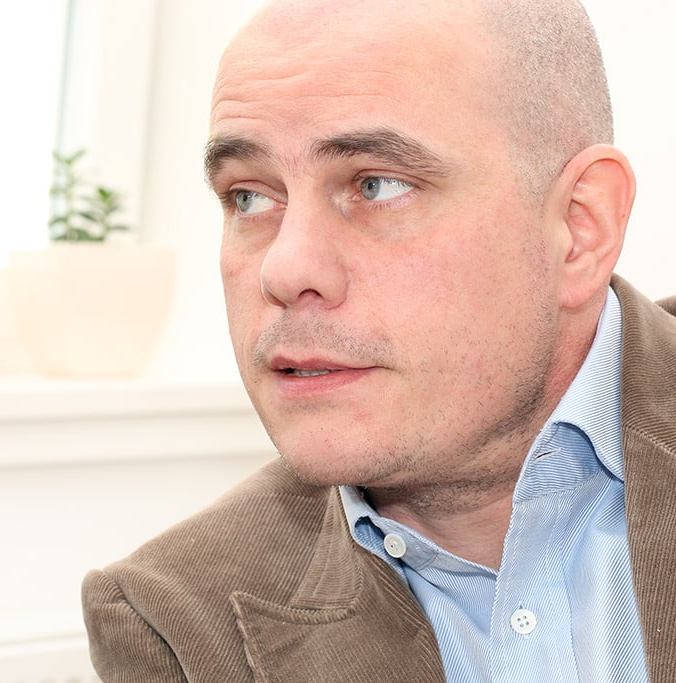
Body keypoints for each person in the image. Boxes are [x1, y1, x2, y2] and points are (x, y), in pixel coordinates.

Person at [81, 0, 676, 680]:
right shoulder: (180, 625)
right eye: (249, 196)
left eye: (376, 184)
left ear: (580, 226)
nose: (285, 269)